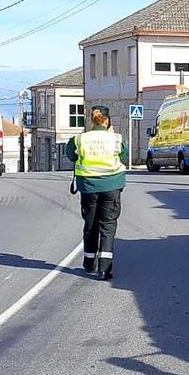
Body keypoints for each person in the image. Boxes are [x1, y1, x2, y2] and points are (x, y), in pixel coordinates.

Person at [65, 105, 127, 280]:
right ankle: (104, 269)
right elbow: (124, 155)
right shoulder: (115, 139)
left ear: (91, 120)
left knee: (90, 225)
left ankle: (89, 264)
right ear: (107, 121)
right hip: (112, 186)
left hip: (89, 187)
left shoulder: (80, 139)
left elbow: (71, 155)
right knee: (107, 226)